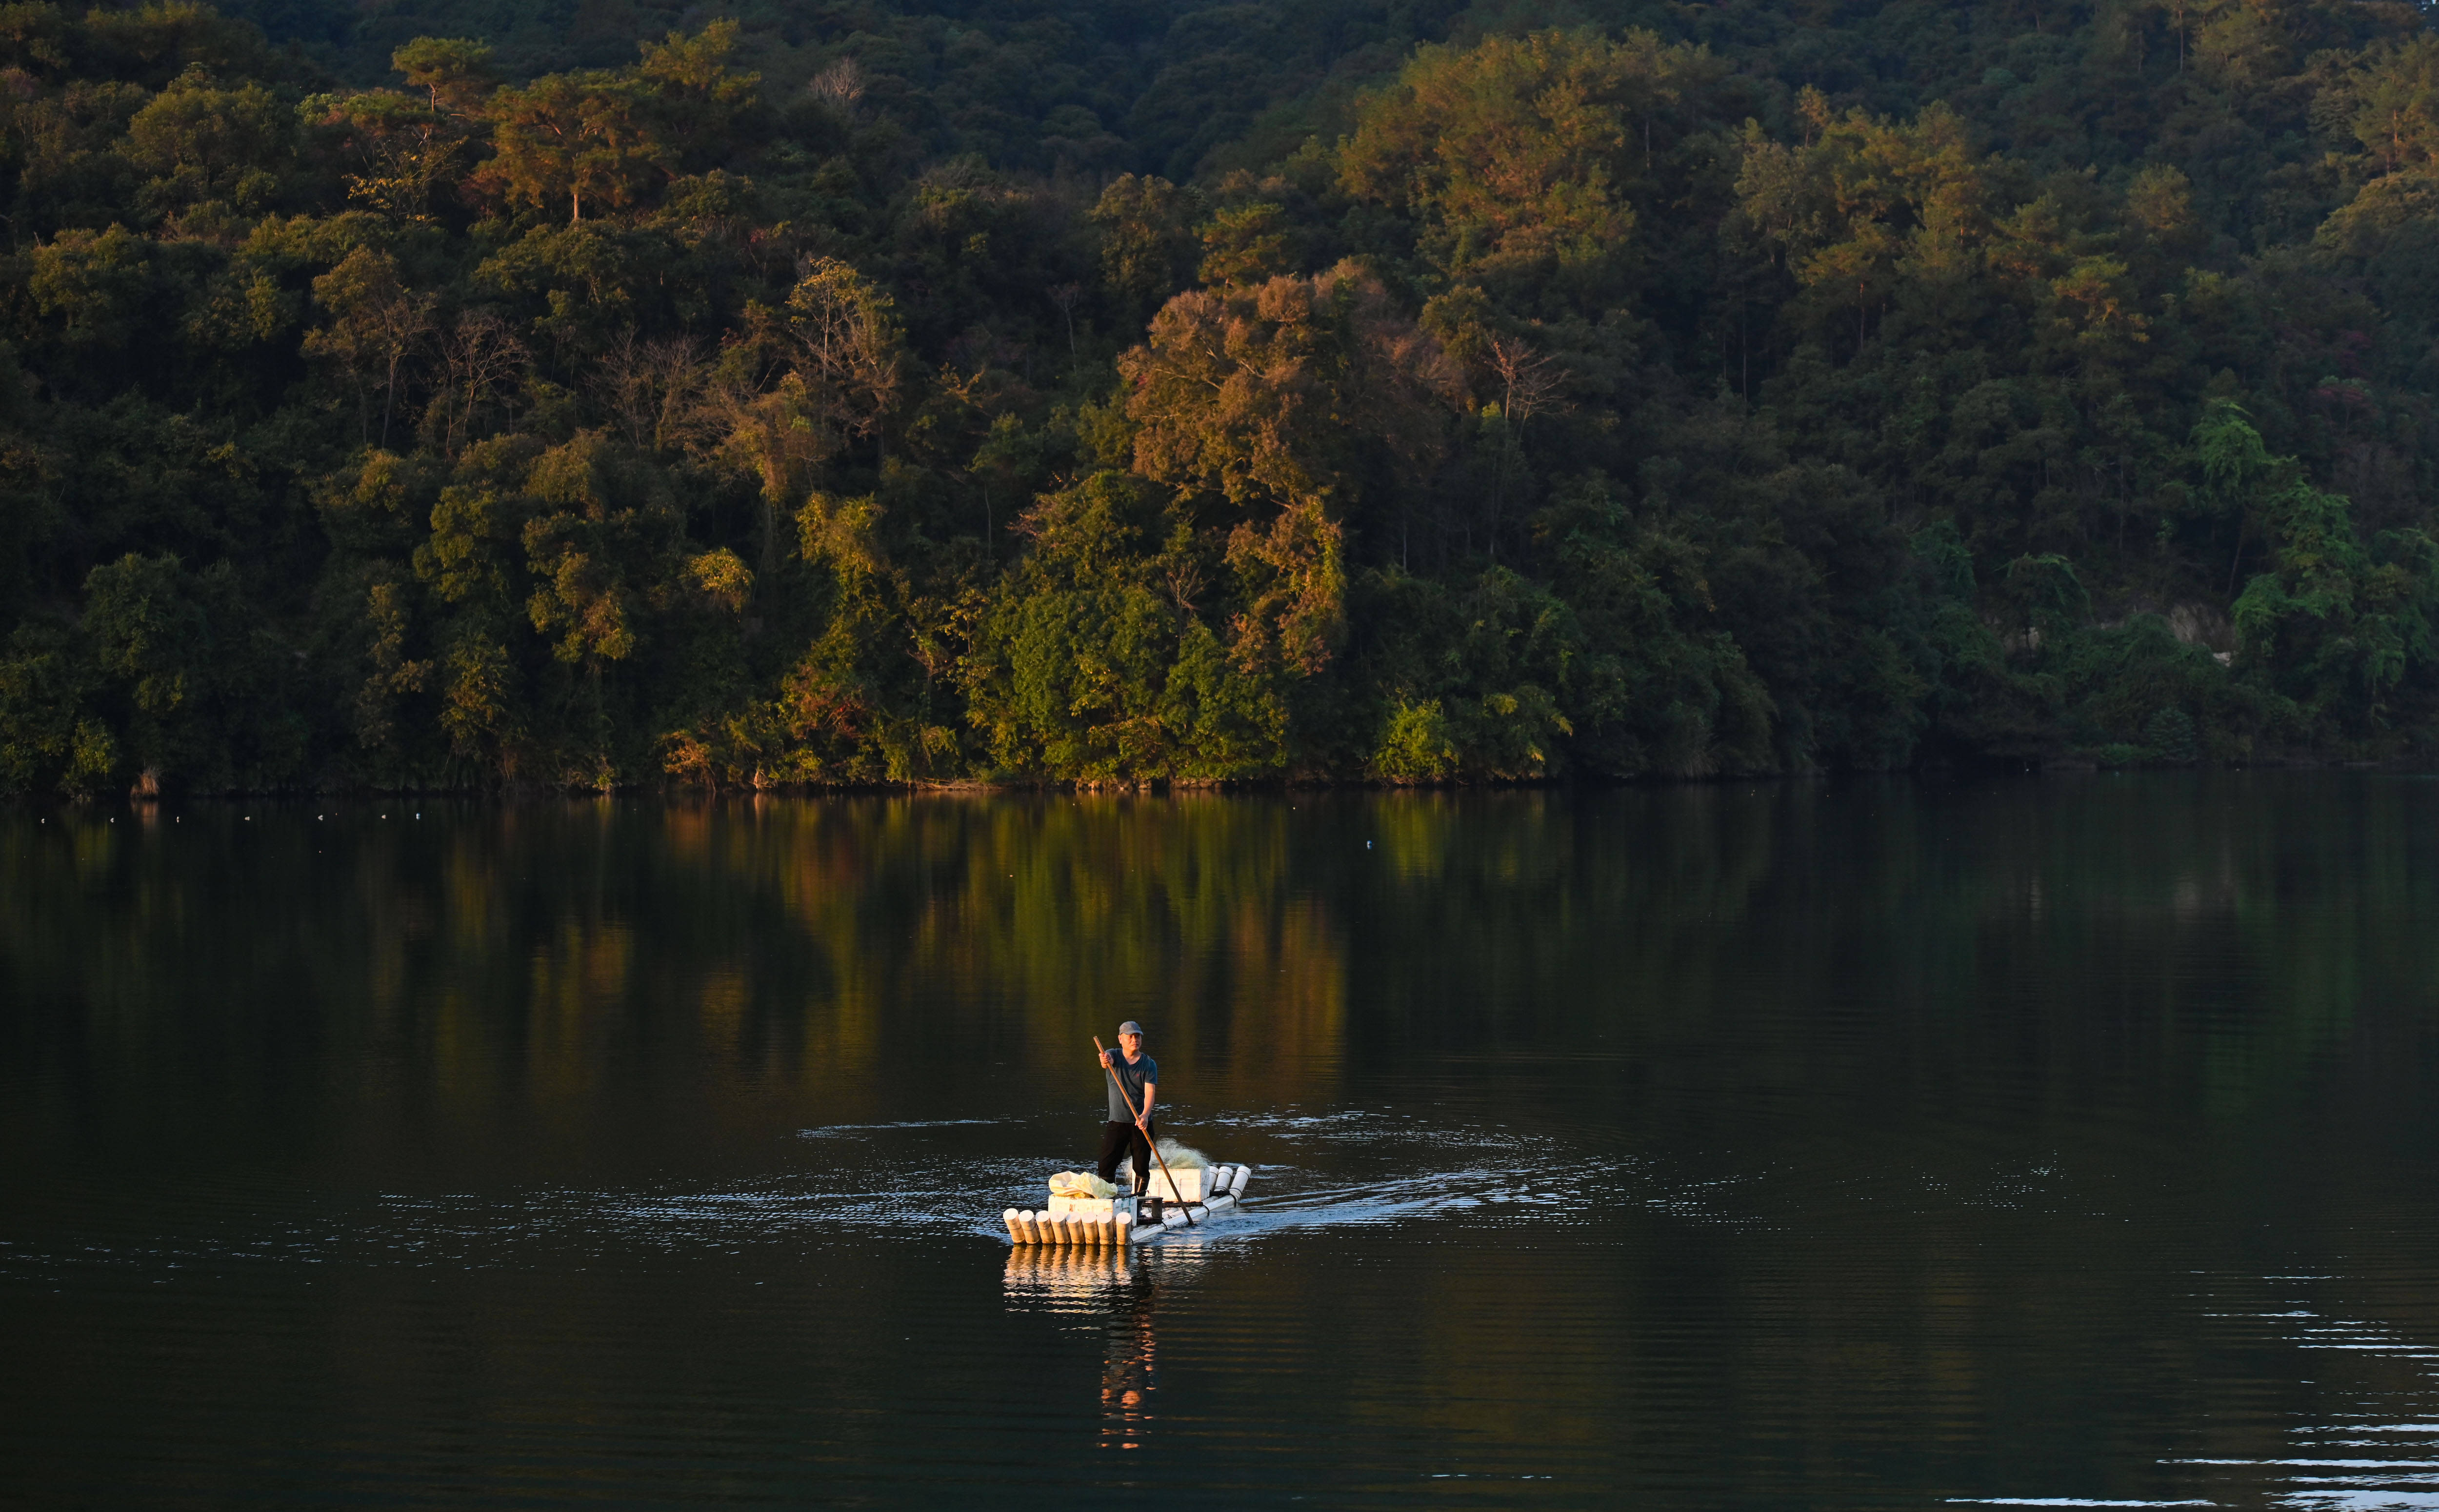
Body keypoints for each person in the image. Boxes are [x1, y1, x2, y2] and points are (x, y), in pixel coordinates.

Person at [1096, 1021, 1158, 1192]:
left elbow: (1150, 1092)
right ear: (1120, 1039)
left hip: (1141, 1123)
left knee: (1141, 1166)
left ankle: (1138, 1203)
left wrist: (1145, 1115)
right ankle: (1108, 1200)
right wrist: (1105, 1059)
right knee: (1106, 1165)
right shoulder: (1113, 1056)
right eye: (1130, 1037)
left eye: (1137, 1036)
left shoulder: (1149, 1064)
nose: (1134, 1040)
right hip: (1117, 1122)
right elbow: (1106, 1059)